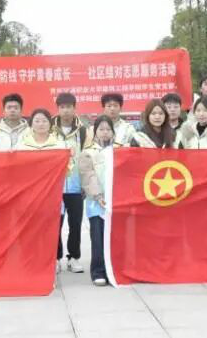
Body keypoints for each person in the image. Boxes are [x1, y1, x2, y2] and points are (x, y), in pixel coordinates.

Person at [16, 109, 70, 274]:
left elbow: (67, 169)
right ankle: (28, 260)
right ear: (31, 123)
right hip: (29, 195)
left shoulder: (59, 144)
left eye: (44, 121)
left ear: (50, 124)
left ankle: (52, 260)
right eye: (37, 121)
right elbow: (16, 170)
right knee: (29, 229)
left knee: (51, 228)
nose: (41, 124)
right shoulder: (22, 145)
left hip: (51, 194)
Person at [78, 115, 120, 286]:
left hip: (116, 201)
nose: (105, 132)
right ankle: (98, 271)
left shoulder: (120, 150)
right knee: (98, 237)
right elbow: (88, 176)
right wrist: (98, 196)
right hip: (97, 203)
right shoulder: (88, 152)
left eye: (108, 129)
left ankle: (115, 269)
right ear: (95, 132)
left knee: (116, 237)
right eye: (101, 129)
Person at [52, 93, 90, 274]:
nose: (65, 110)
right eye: (62, 107)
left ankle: (74, 257)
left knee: (75, 224)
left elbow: (87, 157)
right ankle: (56, 258)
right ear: (58, 109)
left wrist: (85, 183)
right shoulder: (49, 128)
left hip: (75, 186)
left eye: (69, 107)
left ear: (75, 108)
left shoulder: (83, 131)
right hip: (54, 186)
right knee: (55, 224)